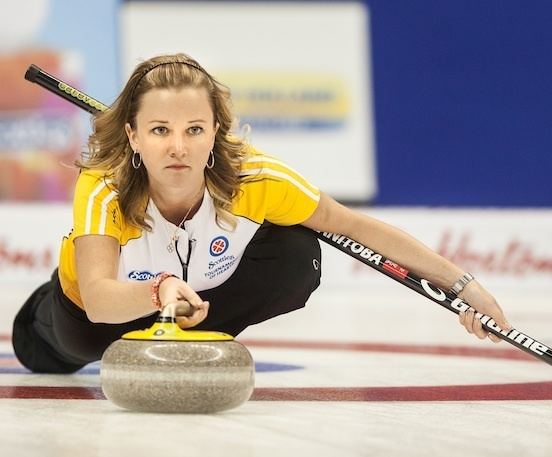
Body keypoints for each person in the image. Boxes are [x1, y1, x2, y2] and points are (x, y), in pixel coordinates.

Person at [12, 53, 511, 374]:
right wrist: (158, 289)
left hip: (198, 301)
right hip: (93, 319)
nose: (178, 147)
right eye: (160, 130)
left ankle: (197, 336)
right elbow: (98, 300)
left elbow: (360, 228)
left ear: (215, 134)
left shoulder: (257, 179)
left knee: (298, 251)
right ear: (133, 137)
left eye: (194, 129)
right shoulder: (105, 184)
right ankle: (42, 321)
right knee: (61, 347)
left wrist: (465, 286)